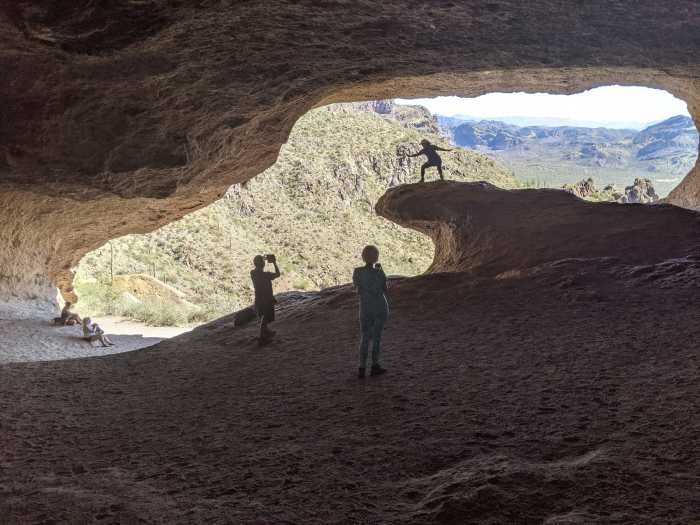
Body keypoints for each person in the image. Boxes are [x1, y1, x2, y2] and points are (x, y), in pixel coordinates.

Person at [352, 245, 389, 378]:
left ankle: (361, 367)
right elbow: (385, 288)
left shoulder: (357, 272)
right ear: (376, 257)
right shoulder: (379, 271)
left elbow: (357, 289)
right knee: (377, 338)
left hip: (365, 307)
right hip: (379, 306)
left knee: (365, 337)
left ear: (363, 257)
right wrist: (378, 272)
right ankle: (375, 365)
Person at [251, 253, 281, 343]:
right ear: (263, 264)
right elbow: (278, 274)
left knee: (264, 315)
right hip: (267, 299)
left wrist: (262, 259)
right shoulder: (266, 275)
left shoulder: (253, 273)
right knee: (266, 317)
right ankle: (262, 336)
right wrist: (274, 263)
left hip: (259, 298)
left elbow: (258, 266)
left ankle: (266, 331)